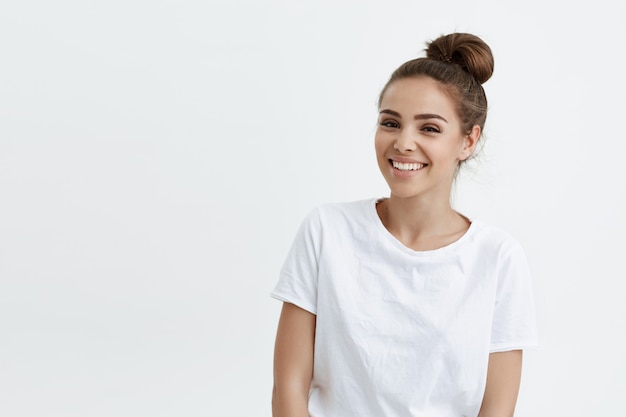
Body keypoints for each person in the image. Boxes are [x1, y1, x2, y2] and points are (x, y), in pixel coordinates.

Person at [270, 32, 538, 417]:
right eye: (391, 123)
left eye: (429, 128)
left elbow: (496, 410)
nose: (403, 143)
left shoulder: (498, 258)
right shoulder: (327, 231)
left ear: (468, 141)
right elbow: (288, 390)